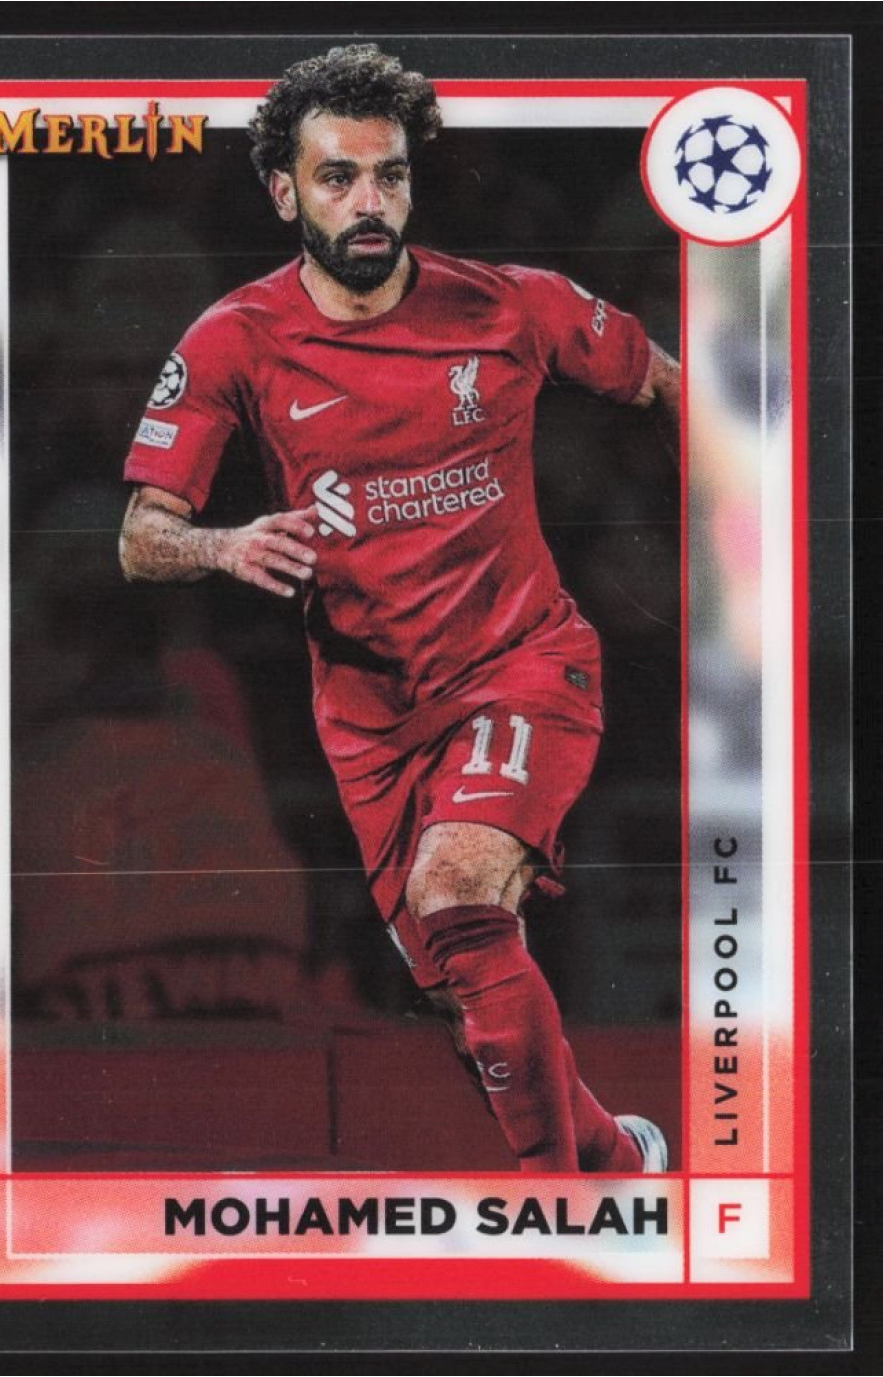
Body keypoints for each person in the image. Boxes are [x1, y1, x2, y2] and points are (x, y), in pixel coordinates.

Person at [120, 43, 679, 1174]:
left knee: (457, 894)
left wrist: (740, 553)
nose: (369, 201)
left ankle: (560, 1216)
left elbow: (669, 381)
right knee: (460, 979)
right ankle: (617, 1163)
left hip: (521, 665)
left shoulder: (512, 305)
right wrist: (223, 544)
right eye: (338, 178)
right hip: (370, 723)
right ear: (285, 194)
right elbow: (140, 536)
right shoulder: (234, 338)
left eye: (389, 175)